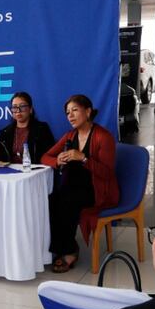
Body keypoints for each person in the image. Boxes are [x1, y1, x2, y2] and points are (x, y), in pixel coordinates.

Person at [41, 94, 118, 272]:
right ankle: (66, 246)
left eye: (75, 110)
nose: (71, 116)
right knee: (51, 200)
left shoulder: (103, 137)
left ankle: (68, 251)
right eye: (68, 113)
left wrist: (83, 158)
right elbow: (45, 157)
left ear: (88, 111)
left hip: (97, 190)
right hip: (72, 188)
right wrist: (57, 160)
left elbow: (107, 174)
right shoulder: (70, 135)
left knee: (67, 201)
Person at [0, 91, 56, 164]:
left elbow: (50, 155)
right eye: (14, 107)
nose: (18, 111)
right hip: (10, 173)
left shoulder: (42, 129)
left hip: (34, 172)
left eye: (22, 106)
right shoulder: (4, 133)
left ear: (30, 109)